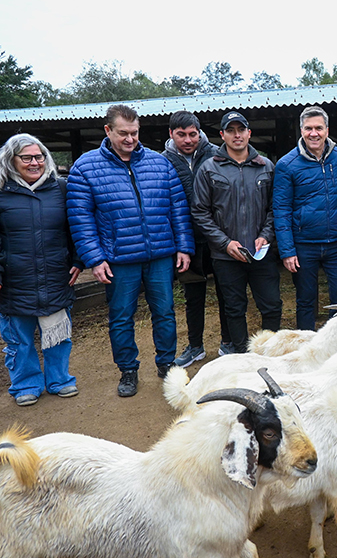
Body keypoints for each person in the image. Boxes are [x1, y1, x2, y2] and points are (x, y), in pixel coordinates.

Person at [67, 104, 194, 397]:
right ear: (108, 130)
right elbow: (80, 218)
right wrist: (94, 258)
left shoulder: (159, 163)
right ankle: (128, 370)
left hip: (160, 253)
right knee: (121, 316)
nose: (130, 139)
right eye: (123, 133)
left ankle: (166, 365)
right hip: (118, 258)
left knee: (164, 312)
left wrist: (184, 247)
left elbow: (177, 208)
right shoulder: (85, 168)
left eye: (134, 133)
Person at [0, 134, 81, 407]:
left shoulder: (61, 189)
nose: (35, 162)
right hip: (14, 279)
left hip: (55, 274)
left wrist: (79, 261)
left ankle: (60, 380)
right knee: (19, 339)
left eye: (39, 157)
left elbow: (76, 230)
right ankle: (26, 384)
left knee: (58, 333)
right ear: (11, 161)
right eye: (27, 158)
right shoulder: (1, 192)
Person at [192, 111, 282, 353]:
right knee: (234, 307)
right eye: (230, 131)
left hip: (260, 253)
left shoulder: (266, 166)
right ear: (222, 135)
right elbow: (200, 211)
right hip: (226, 256)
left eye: (240, 130)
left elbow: (275, 208)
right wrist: (225, 243)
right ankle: (242, 355)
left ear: (249, 133)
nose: (236, 135)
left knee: (272, 305)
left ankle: (269, 352)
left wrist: (266, 235)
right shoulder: (209, 169)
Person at [162, 110, 233, 366]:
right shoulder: (163, 161)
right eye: (181, 135)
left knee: (227, 292)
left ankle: (229, 342)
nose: (188, 140)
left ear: (200, 132)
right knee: (193, 296)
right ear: (171, 134)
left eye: (193, 134)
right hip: (186, 240)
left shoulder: (217, 153)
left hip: (218, 236)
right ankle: (195, 346)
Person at [273, 106, 337, 330]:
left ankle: (336, 343)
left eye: (318, 128)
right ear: (301, 130)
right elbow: (281, 209)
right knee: (306, 300)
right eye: (308, 128)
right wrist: (287, 251)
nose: (313, 133)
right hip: (304, 244)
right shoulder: (287, 165)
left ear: (327, 130)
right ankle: (307, 343)